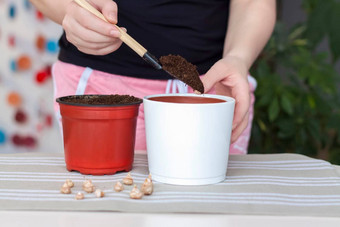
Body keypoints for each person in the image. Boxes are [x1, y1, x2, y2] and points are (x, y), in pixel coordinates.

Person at [30, 0, 276, 154]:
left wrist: (239, 58)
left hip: (214, 88)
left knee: (209, 206)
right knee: (106, 205)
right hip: (100, 87)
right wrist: (67, 11)